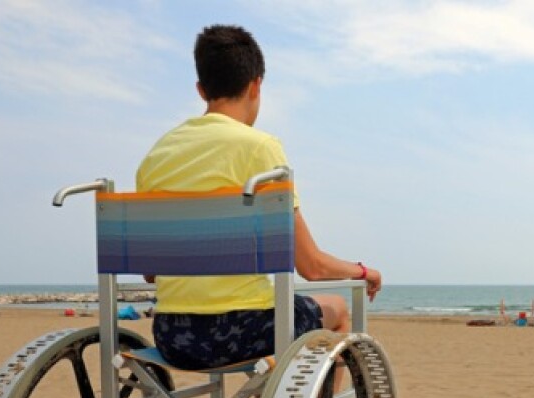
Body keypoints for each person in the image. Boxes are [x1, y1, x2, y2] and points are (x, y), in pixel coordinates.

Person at [136, 24, 382, 370]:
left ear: (201, 89)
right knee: (339, 312)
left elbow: (150, 273)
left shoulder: (156, 157)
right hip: (246, 332)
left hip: (174, 338)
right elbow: (312, 267)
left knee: (277, 318)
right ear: (256, 85)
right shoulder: (259, 149)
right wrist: (363, 271)